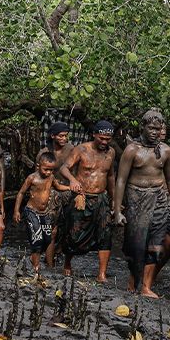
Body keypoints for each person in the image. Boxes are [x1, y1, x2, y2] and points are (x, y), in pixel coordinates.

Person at [114, 108, 170, 298]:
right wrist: (117, 210)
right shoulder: (132, 150)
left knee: (156, 245)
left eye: (158, 129)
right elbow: (120, 180)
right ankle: (133, 280)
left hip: (159, 199)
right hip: (136, 199)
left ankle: (145, 286)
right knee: (136, 245)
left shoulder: (166, 151)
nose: (155, 132)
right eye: (151, 128)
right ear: (143, 127)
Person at [59, 120, 116, 282]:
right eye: (101, 138)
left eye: (108, 139)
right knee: (74, 234)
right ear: (94, 135)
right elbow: (64, 168)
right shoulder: (81, 149)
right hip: (82, 197)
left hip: (102, 198)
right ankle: (67, 263)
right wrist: (72, 180)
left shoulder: (111, 152)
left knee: (105, 234)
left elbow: (110, 176)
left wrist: (114, 200)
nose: (104, 142)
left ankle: (102, 274)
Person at [13, 152, 70, 273]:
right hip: (31, 211)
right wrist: (16, 211)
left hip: (44, 213)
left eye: (51, 170)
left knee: (48, 239)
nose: (48, 172)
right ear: (38, 166)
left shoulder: (51, 177)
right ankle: (36, 268)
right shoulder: (32, 178)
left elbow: (58, 187)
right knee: (37, 239)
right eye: (46, 169)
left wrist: (71, 187)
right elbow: (21, 193)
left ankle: (33, 257)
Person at [38, 121, 75, 267]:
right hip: (50, 194)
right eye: (61, 136)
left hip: (68, 192)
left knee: (67, 227)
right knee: (51, 229)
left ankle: (58, 253)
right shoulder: (44, 153)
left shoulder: (71, 150)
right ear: (53, 136)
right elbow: (38, 177)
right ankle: (49, 263)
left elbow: (77, 171)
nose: (64, 138)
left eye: (66, 136)